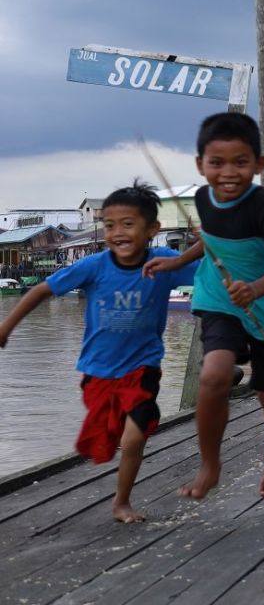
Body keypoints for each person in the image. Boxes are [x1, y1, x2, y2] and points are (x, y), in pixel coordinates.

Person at [0, 181, 196, 523]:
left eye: (128, 224)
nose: (117, 233)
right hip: (98, 371)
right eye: (109, 225)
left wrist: (209, 243)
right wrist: (7, 327)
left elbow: (213, 269)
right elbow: (42, 290)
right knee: (104, 439)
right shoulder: (93, 266)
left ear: (152, 229)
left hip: (143, 366)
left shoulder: (164, 263)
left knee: (135, 436)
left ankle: (122, 502)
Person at [145, 112, 264, 499]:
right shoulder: (204, 198)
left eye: (240, 162)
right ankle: (210, 464)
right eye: (217, 163)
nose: (228, 173)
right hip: (219, 298)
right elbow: (211, 239)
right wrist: (177, 262)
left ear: (259, 164)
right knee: (214, 375)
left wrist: (255, 289)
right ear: (201, 164)